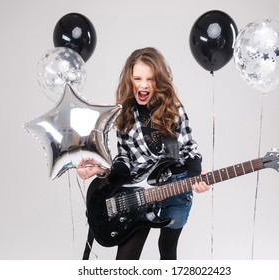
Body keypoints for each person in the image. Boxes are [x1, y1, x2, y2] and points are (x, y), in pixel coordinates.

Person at [77, 47, 210, 260]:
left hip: (176, 191)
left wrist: (195, 176)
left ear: (159, 80)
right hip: (139, 195)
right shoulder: (125, 114)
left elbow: (189, 150)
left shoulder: (174, 109)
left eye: (150, 79)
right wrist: (101, 169)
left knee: (167, 251)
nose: (144, 84)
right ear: (129, 80)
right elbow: (124, 159)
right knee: (125, 261)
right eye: (137, 78)